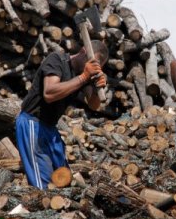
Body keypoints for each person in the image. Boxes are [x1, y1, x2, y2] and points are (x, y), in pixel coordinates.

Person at [16, 41, 108, 189]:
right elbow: (49, 93)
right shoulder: (57, 59)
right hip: (32, 123)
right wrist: (84, 77)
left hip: (50, 128)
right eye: (93, 63)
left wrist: (98, 86)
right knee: (44, 185)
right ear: (84, 51)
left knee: (63, 180)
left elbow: (94, 105)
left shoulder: (84, 72)